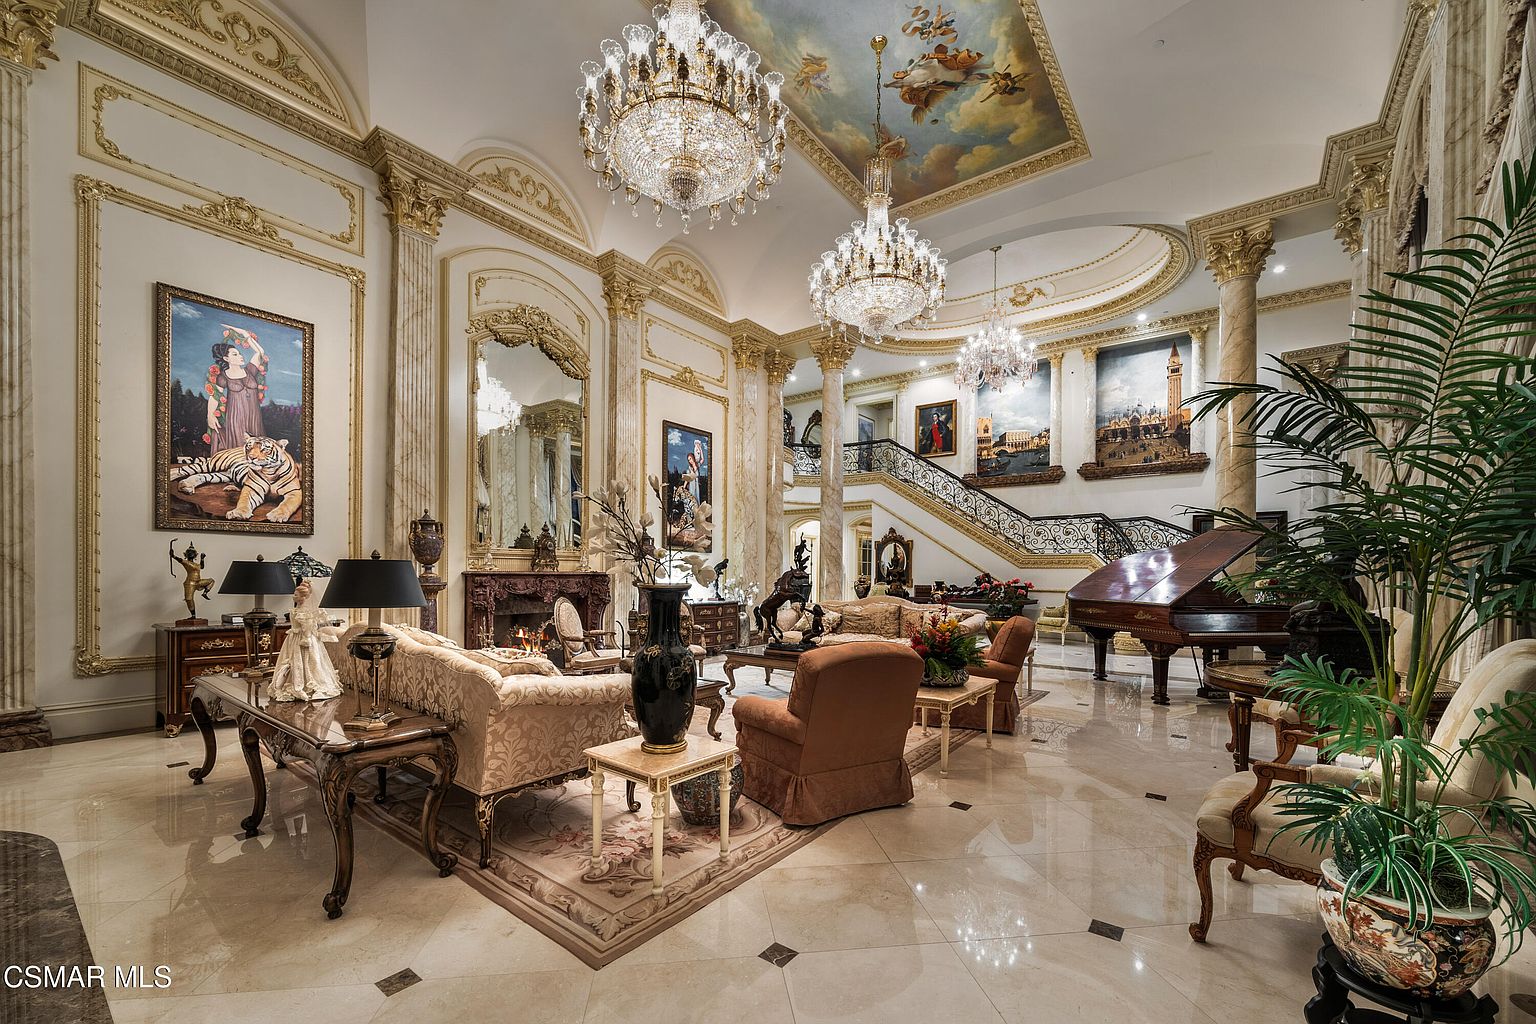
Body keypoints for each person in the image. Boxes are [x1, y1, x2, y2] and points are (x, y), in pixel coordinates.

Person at [268, 578, 343, 702]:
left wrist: (307, 638)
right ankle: (289, 681)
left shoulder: (304, 612)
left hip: (303, 639)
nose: (293, 597)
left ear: (303, 597)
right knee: (290, 660)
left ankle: (306, 684)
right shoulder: (298, 609)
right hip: (293, 638)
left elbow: (307, 627)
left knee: (308, 660)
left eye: (296, 595)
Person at [204, 325, 268, 455]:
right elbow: (215, 396)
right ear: (226, 359)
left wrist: (245, 334)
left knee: (257, 446)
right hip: (236, 417)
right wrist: (210, 414)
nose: (240, 356)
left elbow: (259, 352)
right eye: (235, 354)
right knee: (238, 450)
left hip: (253, 415)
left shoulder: (250, 370)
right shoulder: (223, 376)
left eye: (239, 353)